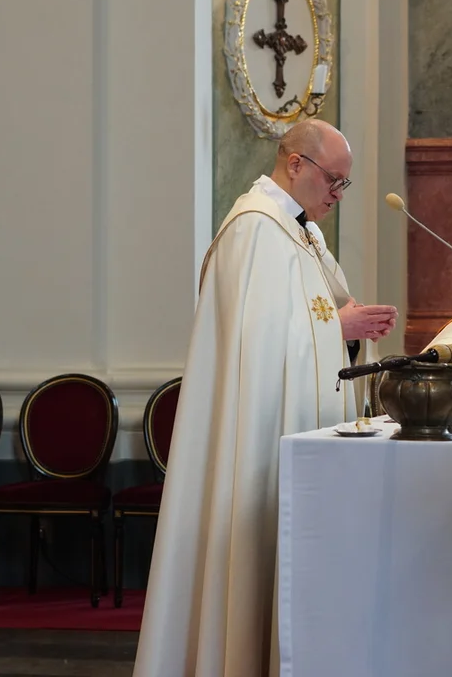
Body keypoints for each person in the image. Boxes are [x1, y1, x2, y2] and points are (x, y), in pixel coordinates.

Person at [132, 119, 398, 677]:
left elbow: (311, 322)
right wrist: (338, 325)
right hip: (255, 443)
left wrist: (348, 329)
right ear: (295, 163)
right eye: (333, 180)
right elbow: (255, 345)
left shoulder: (300, 233)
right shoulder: (253, 230)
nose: (336, 195)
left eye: (343, 185)